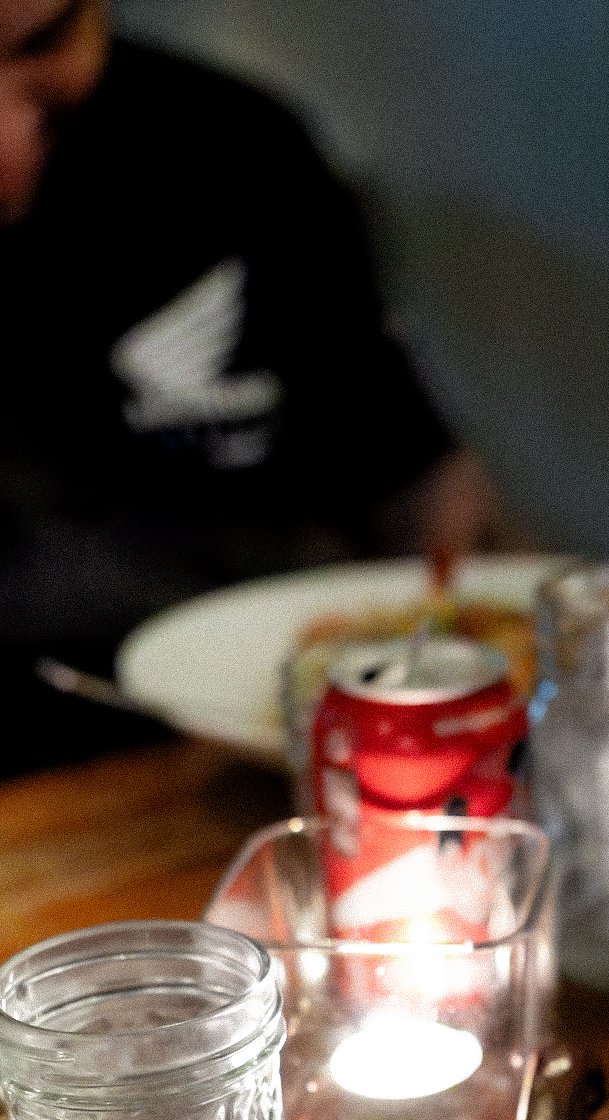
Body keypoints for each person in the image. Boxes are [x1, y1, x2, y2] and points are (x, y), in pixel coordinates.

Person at [0, 0, 508, 773]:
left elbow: (420, 485)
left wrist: (478, 636)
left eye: (43, 43)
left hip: (279, 764)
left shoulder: (239, 149)